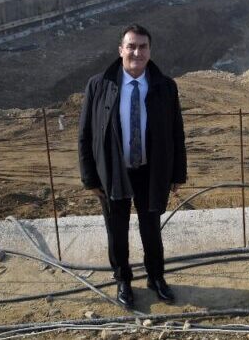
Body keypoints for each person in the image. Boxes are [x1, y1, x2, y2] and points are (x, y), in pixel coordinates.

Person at [78, 24, 187, 308]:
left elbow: (177, 132)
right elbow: (85, 135)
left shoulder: (165, 87)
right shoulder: (99, 85)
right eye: (131, 46)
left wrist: (177, 174)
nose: (136, 52)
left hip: (151, 172)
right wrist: (90, 178)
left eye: (142, 47)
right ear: (121, 50)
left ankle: (156, 277)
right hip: (114, 171)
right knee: (117, 230)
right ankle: (123, 280)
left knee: (151, 228)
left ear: (150, 51)